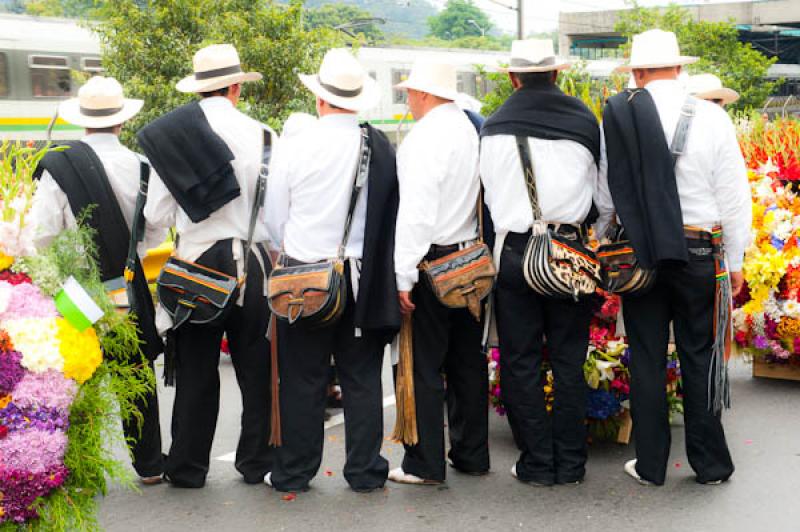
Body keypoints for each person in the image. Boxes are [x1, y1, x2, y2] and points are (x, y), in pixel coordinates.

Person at [602, 29, 751, 486]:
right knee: (700, 354)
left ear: (639, 72)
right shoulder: (710, 117)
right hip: (700, 251)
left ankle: (650, 466)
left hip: (642, 253)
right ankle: (710, 466)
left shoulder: (622, 116)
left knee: (646, 356)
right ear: (679, 69)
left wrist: (605, 236)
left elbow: (608, 191)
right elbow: (733, 194)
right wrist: (737, 259)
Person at [139, 44, 276, 488]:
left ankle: (188, 467)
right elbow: (275, 213)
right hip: (252, 262)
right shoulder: (265, 134)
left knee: (197, 369)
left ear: (200, 88)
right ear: (237, 86)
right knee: (256, 367)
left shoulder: (173, 137)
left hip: (197, 264)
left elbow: (157, 214)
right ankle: (256, 463)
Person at [264, 48, 401, 493]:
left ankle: (294, 471)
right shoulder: (378, 145)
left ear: (320, 99)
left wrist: (297, 246)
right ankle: (364, 471)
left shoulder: (297, 144)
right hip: (361, 279)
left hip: (304, 280)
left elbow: (274, 218)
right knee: (362, 378)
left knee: (303, 378)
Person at [480, 39, 607, 486]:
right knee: (570, 360)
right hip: (570, 253)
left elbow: (492, 201)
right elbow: (603, 197)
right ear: (556, 74)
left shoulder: (493, 127)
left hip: (515, 254)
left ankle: (536, 462)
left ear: (513, 78)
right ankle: (571, 463)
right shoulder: (584, 121)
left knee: (520, 360)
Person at [31, 76, 167, 485]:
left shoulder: (58, 164)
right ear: (122, 121)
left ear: (82, 121)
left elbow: (41, 234)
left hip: (75, 289)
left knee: (74, 378)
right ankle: (149, 466)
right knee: (135, 377)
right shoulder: (142, 166)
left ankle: (75, 466)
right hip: (127, 284)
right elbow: (156, 231)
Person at [388, 60, 488, 485]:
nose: (408, 99)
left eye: (410, 92)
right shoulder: (467, 128)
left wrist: (403, 273)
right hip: (468, 261)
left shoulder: (424, 137)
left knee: (423, 366)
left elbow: (417, 211)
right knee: (468, 362)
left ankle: (425, 463)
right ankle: (471, 454)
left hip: (432, 262)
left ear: (426, 94)